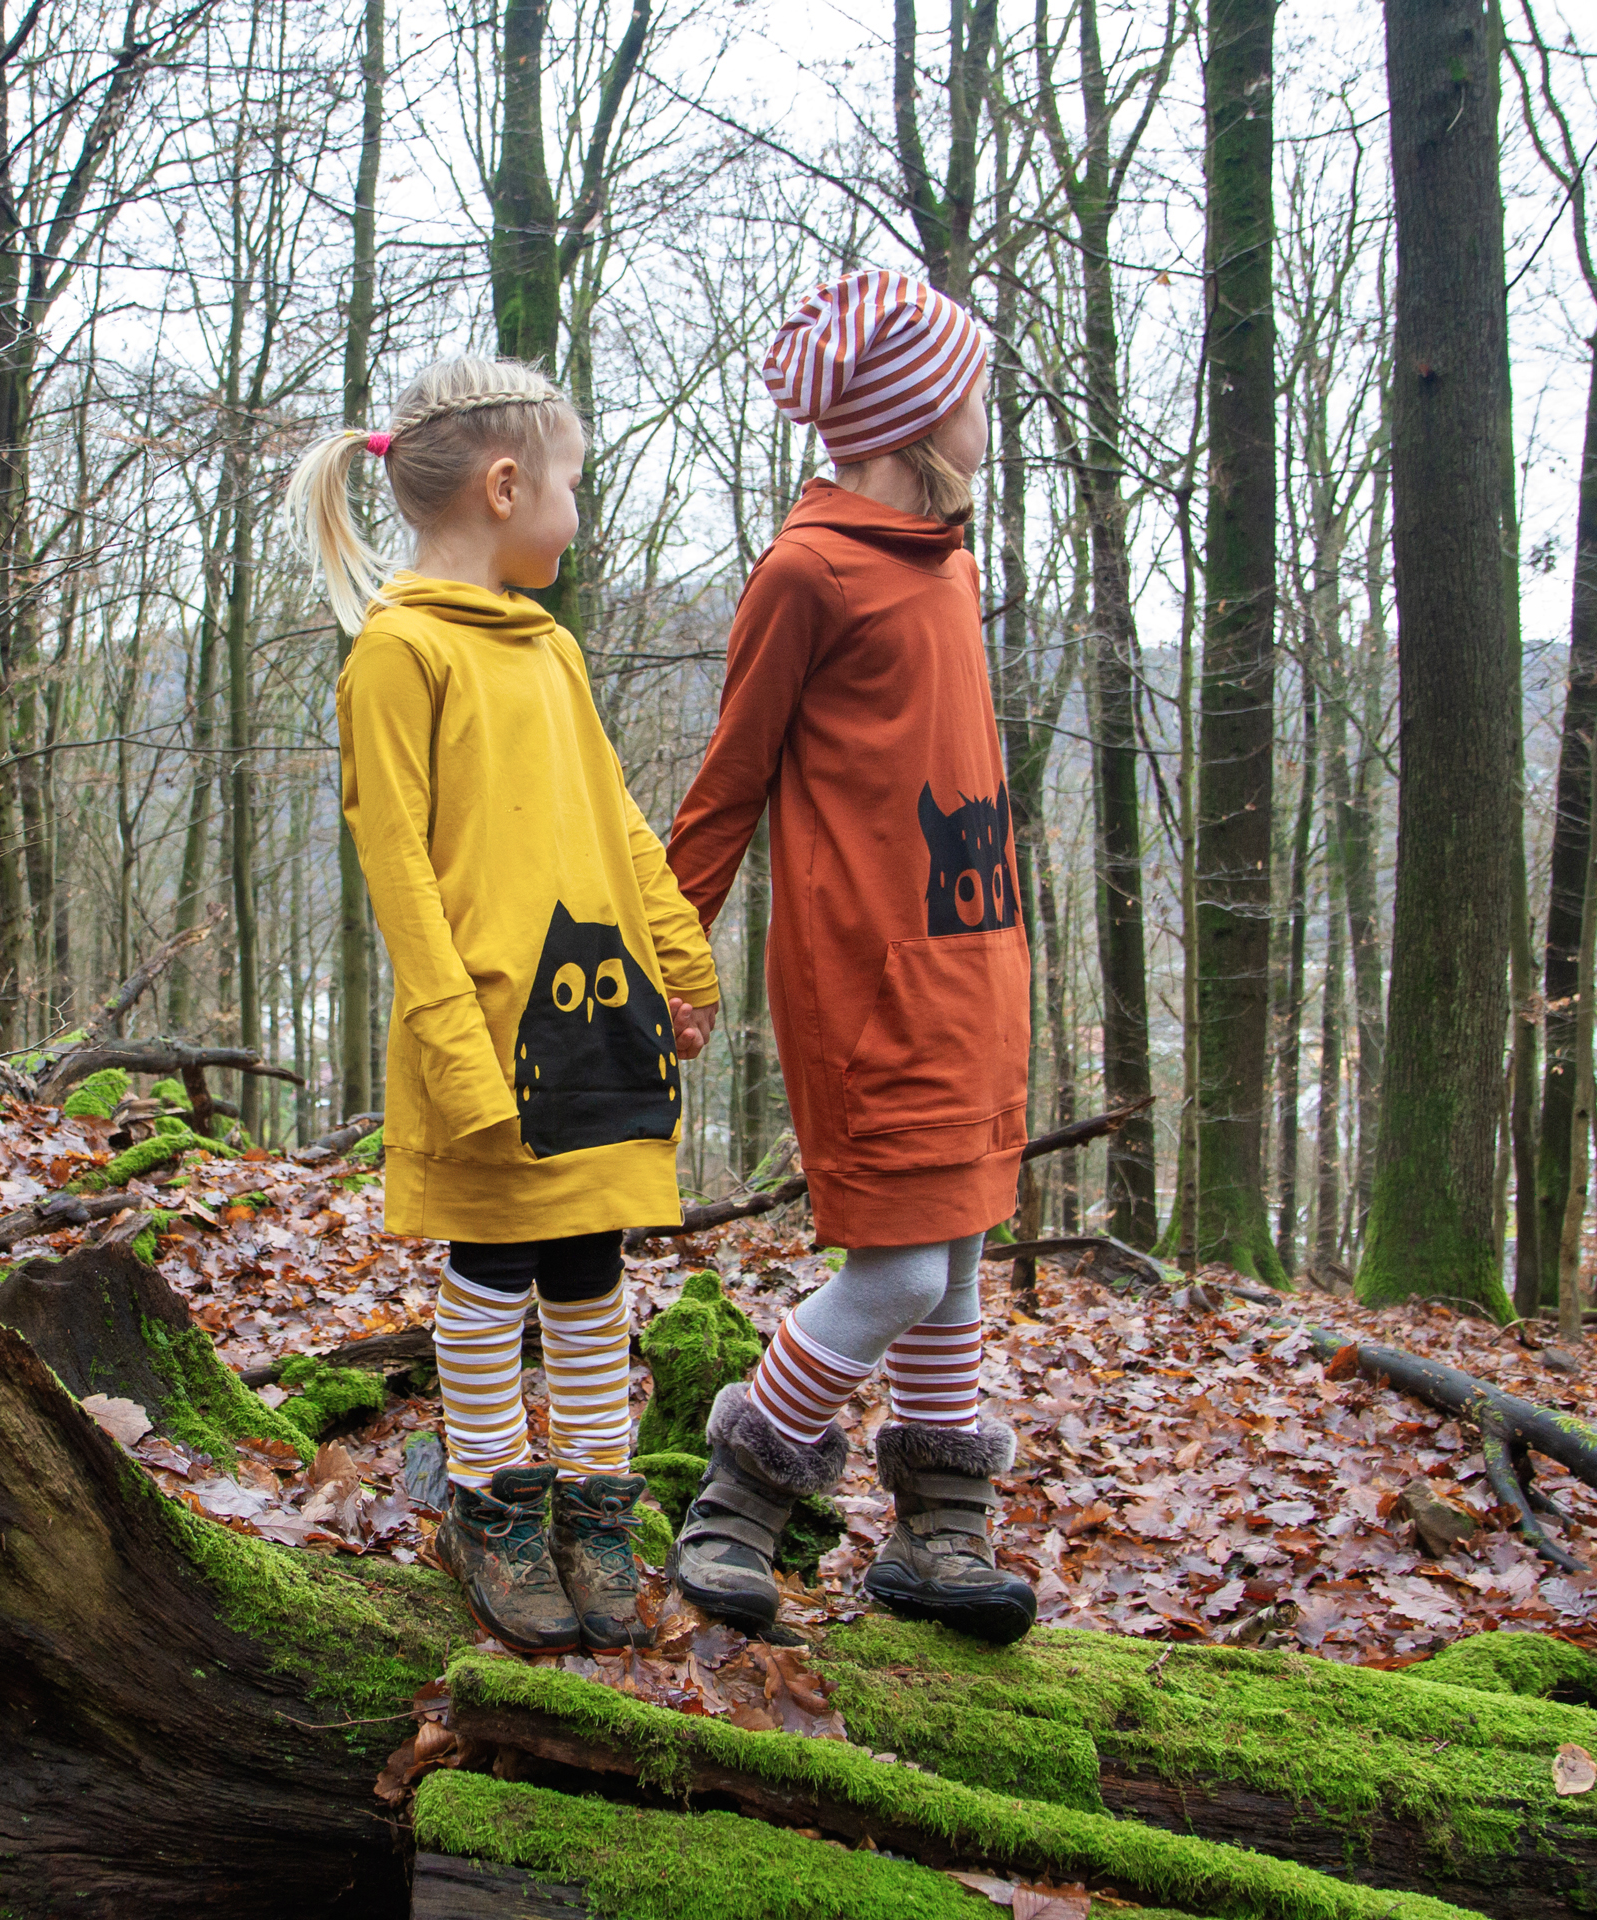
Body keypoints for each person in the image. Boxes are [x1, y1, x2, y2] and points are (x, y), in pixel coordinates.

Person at [292, 355, 720, 1655]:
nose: (578, 515)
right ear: (504, 484)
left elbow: (617, 820)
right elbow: (402, 878)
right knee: (490, 1271)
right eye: (573, 487)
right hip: (482, 1039)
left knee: (591, 1266)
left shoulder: (552, 652)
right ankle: (488, 1497)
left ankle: (596, 1496)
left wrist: (680, 960)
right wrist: (459, 1059)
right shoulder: (398, 656)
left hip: (597, 1025)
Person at [663, 271, 1036, 1645]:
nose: (993, 415)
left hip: (975, 970)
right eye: (980, 392)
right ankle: (740, 1499)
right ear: (922, 410)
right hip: (868, 987)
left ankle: (942, 1530)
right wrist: (669, 953)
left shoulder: (950, 562)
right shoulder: (808, 570)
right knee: (893, 1270)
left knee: (959, 1257)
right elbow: (728, 780)